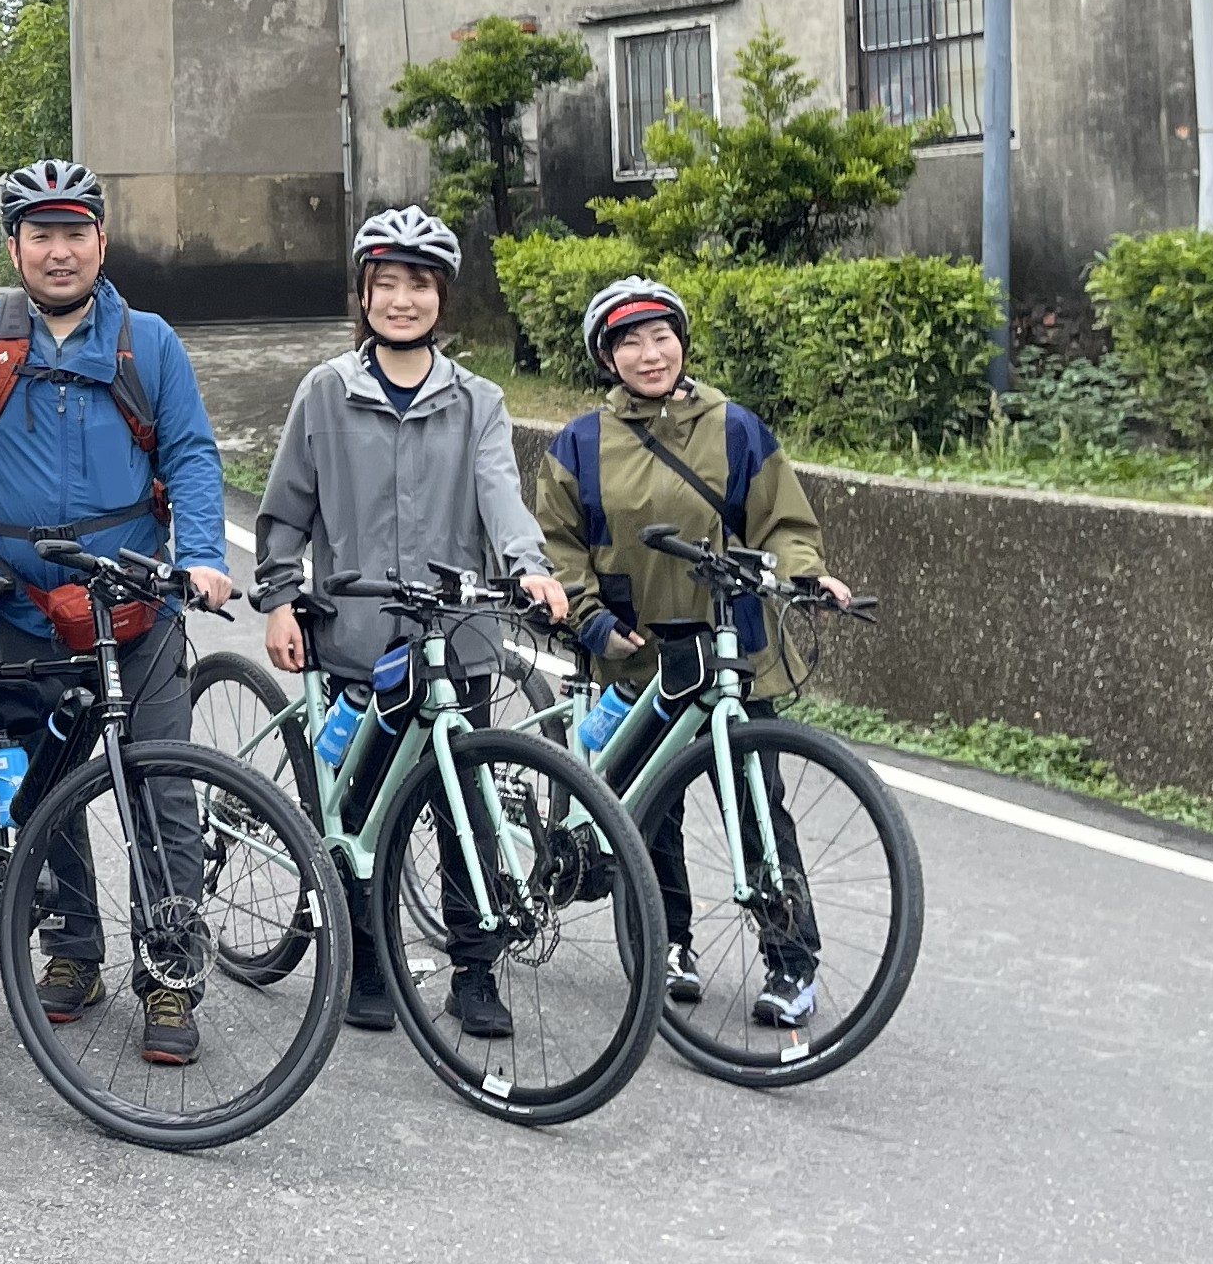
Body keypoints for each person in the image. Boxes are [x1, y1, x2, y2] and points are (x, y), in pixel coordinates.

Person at [0, 157, 238, 1064]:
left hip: (135, 605)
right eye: (40, 234)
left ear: (101, 242)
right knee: (42, 786)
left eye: (74, 233)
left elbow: (192, 453)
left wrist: (202, 555)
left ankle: (170, 972)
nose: (58, 251)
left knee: (160, 788)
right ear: (13, 247)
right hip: (20, 605)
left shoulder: (147, 342)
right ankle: (73, 948)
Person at [250, 203, 571, 1040]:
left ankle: (475, 970)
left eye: (419, 285)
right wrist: (279, 599)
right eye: (386, 284)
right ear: (364, 295)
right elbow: (285, 509)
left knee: (465, 808)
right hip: (357, 639)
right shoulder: (326, 392)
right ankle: (366, 958)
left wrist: (529, 566)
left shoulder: (478, 401)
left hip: (455, 642)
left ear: (442, 298)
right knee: (360, 809)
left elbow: (501, 494)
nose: (402, 300)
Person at [536, 274, 860, 1027]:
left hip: (733, 653)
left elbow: (783, 522)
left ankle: (791, 960)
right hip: (638, 656)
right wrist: (589, 619)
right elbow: (560, 548)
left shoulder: (735, 428)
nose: (650, 354)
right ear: (606, 357)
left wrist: (805, 576)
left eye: (662, 337)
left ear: (682, 343)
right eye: (629, 342)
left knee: (756, 809)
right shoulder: (579, 444)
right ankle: (667, 944)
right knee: (650, 812)